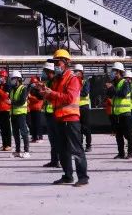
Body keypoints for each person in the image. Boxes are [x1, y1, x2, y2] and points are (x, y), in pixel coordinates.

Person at [40, 49, 88, 186]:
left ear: (66, 63)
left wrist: (52, 93)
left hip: (71, 119)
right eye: (55, 63)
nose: (56, 66)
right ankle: (68, 176)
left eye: (58, 63)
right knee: (62, 149)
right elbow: (55, 99)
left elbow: (69, 98)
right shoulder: (57, 80)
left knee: (76, 149)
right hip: (59, 118)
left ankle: (83, 177)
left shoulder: (73, 79)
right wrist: (45, 93)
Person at [107, 62, 132, 159]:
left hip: (125, 113)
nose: (112, 72)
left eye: (114, 71)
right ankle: (121, 153)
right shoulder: (114, 83)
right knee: (118, 135)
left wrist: (112, 88)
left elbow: (123, 94)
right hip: (116, 113)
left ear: (118, 72)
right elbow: (110, 95)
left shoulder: (125, 82)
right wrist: (109, 89)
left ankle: (130, 153)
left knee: (129, 135)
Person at [39, 62, 59, 168]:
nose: (45, 74)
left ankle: (59, 160)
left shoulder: (56, 82)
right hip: (49, 112)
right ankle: (54, 160)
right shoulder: (49, 82)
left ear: (51, 71)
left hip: (55, 113)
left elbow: (56, 96)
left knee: (57, 138)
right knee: (52, 139)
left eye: (46, 71)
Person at [8, 70, 31, 158]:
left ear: (18, 79)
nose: (12, 80)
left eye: (14, 79)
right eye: (12, 79)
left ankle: (26, 151)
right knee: (15, 133)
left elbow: (21, 101)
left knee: (24, 132)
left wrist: (11, 102)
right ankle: (17, 151)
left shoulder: (23, 88)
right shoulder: (12, 90)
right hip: (13, 114)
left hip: (21, 114)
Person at [74, 64, 93, 152]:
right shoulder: (74, 81)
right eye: (75, 71)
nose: (75, 73)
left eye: (77, 71)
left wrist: (76, 92)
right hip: (76, 107)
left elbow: (85, 93)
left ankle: (88, 145)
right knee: (78, 127)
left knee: (86, 127)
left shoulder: (85, 81)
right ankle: (79, 145)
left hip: (84, 107)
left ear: (81, 72)